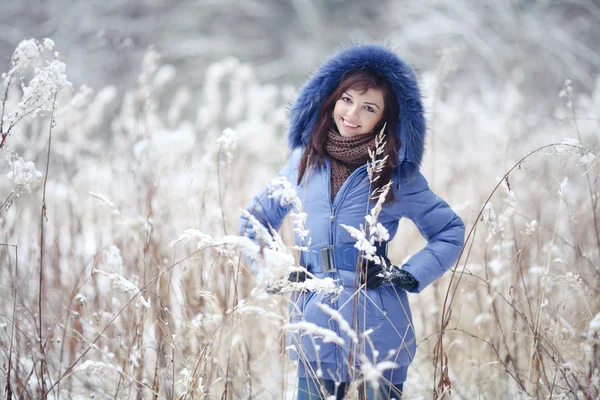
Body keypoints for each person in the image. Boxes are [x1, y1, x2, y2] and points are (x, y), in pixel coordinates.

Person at [240, 44, 465, 399]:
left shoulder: (396, 173)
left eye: (369, 107)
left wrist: (408, 273)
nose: (352, 113)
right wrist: (275, 269)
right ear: (331, 99)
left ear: (385, 118)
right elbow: (254, 220)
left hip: (379, 325)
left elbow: (450, 230)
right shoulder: (303, 162)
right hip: (315, 326)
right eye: (346, 99)